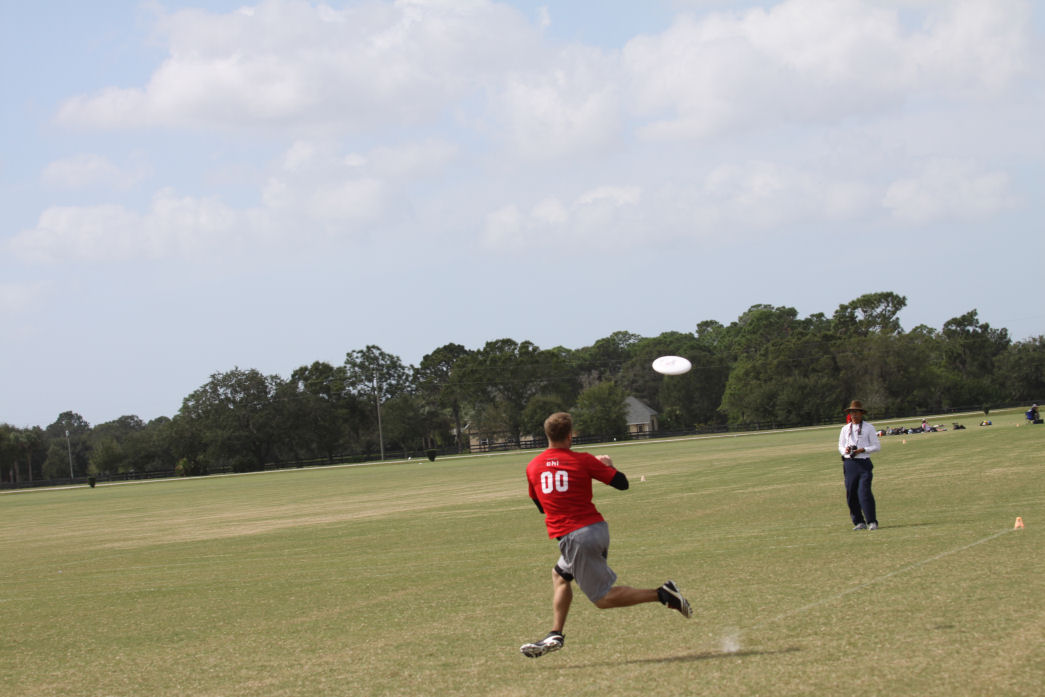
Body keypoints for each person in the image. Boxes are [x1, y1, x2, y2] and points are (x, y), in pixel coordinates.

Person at [519, 412, 692, 658]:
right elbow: (622, 484)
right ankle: (555, 633)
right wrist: (608, 466)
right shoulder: (584, 460)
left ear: (546, 435)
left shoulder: (533, 466)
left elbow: (541, 507)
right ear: (570, 436)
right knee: (560, 575)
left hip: (576, 538)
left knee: (602, 598)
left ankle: (663, 594)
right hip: (593, 530)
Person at [838, 400, 882, 531]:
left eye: (856, 412)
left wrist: (863, 450)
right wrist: (845, 450)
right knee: (851, 494)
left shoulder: (869, 428)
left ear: (861, 413)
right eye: (852, 412)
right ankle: (859, 522)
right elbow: (840, 446)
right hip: (849, 464)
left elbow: (876, 446)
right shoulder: (845, 429)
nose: (854, 414)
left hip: (863, 463)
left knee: (864, 492)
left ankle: (872, 521)